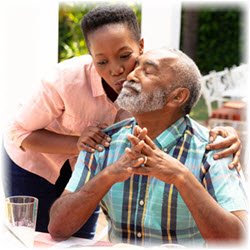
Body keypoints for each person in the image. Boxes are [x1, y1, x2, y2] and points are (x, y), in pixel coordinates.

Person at [2, 4, 243, 239]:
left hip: (86, 156)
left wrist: (205, 146)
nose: (122, 72)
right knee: (34, 234)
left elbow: (177, 106)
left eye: (129, 59)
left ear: (140, 46)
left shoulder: (207, 148)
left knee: (82, 230)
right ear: (91, 58)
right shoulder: (66, 84)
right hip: (35, 159)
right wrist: (97, 161)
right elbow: (18, 131)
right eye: (102, 62)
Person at [48, 48, 247, 247]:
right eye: (136, 67)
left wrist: (182, 178)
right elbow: (58, 228)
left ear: (177, 97)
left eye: (148, 71)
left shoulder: (214, 149)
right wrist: (109, 175)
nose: (131, 75)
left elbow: (238, 241)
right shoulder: (102, 143)